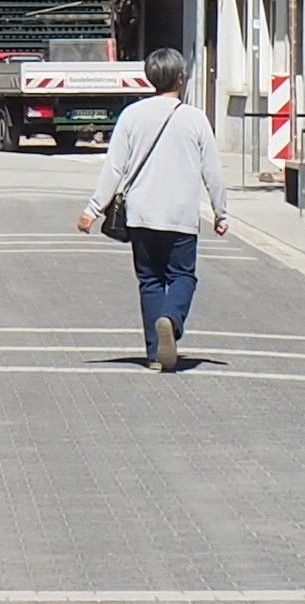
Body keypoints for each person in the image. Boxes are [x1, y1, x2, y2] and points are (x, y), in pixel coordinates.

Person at [80, 46, 227, 370]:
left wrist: (93, 209)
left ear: (150, 78)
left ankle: (154, 355)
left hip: (141, 216)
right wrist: (221, 212)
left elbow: (114, 167)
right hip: (181, 217)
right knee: (183, 275)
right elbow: (213, 171)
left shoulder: (132, 115)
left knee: (149, 280)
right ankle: (171, 319)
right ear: (180, 78)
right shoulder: (195, 118)